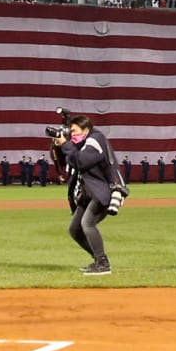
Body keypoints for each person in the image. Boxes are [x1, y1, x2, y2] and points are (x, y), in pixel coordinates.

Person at [57, 114, 129, 276]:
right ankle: (98, 260)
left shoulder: (95, 141)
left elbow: (81, 161)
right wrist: (61, 146)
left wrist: (66, 145)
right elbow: (71, 161)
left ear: (86, 129)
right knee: (75, 230)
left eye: (74, 131)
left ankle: (103, 264)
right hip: (87, 194)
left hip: (101, 192)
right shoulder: (83, 144)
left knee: (87, 224)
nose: (72, 134)